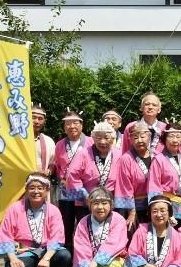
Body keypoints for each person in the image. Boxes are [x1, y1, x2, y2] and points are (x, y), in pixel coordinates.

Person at [0, 173, 71, 267]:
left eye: (40, 188)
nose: (36, 191)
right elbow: (5, 234)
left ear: (47, 191)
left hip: (45, 252)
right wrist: (13, 258)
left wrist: (46, 258)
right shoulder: (15, 208)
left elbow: (56, 237)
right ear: (26, 189)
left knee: (64, 255)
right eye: (32, 188)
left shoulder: (53, 211)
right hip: (23, 253)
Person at [72, 187, 128, 267]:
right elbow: (81, 247)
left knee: (111, 266)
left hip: (113, 258)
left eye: (104, 203)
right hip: (90, 261)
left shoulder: (118, 220)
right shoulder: (83, 222)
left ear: (111, 204)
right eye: (96, 203)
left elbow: (114, 244)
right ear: (90, 205)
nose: (100, 207)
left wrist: (94, 263)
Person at [53, 110, 93, 253]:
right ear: (64, 127)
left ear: (82, 125)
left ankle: (84, 254)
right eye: (68, 123)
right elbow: (58, 166)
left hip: (84, 189)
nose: (72, 126)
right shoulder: (59, 144)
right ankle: (67, 257)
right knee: (66, 222)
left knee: (84, 221)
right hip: (65, 189)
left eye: (75, 123)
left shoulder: (90, 142)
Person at [148, 122, 181, 225]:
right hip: (166, 206)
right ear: (165, 138)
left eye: (178, 137)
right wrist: (160, 208)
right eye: (171, 136)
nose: (175, 140)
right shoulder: (158, 160)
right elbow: (154, 187)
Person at [65, 121, 120, 215]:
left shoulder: (119, 154)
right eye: (98, 138)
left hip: (110, 201)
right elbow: (72, 176)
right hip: (86, 202)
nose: (102, 141)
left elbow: (123, 180)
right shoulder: (83, 153)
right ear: (93, 139)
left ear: (112, 139)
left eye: (106, 138)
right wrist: (86, 197)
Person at [113, 123, 153, 231]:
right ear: (130, 140)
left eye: (143, 136)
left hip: (153, 205)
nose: (139, 140)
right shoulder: (126, 159)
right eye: (135, 137)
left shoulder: (157, 156)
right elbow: (125, 187)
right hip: (134, 206)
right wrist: (132, 211)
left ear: (149, 137)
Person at [32, 104, 55, 176]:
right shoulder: (18, 139)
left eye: (40, 119)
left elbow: (54, 163)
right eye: (33, 117)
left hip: (41, 183)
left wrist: (49, 171)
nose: (36, 121)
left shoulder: (48, 141)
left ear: (44, 121)